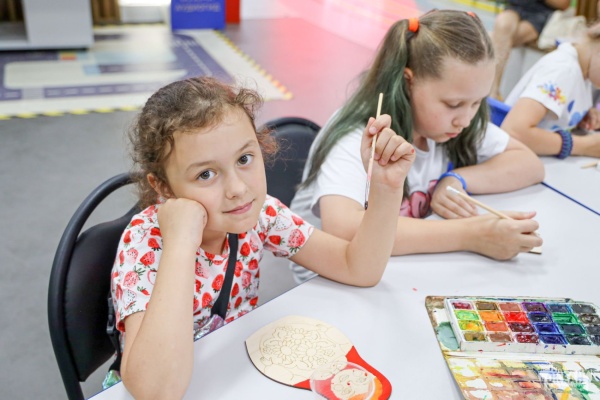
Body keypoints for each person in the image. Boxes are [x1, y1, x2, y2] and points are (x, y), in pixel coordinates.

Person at [109, 76, 415, 398]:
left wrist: (386, 188)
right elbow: (155, 390)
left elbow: (358, 268)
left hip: (231, 376)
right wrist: (181, 243)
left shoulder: (262, 214)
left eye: (244, 159)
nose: (238, 189)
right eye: (206, 174)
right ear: (164, 187)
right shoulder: (145, 244)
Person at [289, 9, 544, 284]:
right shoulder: (362, 136)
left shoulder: (452, 122)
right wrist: (471, 234)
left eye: (477, 102)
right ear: (408, 82)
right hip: (331, 284)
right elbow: (343, 228)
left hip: (398, 268)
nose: (466, 119)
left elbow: (528, 163)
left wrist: (456, 180)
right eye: (454, 104)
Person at [501, 24, 600, 158]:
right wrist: (585, 146)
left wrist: (579, 116)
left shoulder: (585, 72)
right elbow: (514, 132)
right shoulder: (563, 69)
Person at [490, 0, 571, 100]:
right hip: (516, 7)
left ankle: (492, 90)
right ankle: (493, 89)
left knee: (499, 39)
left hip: (541, 13)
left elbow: (564, 4)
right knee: (502, 25)